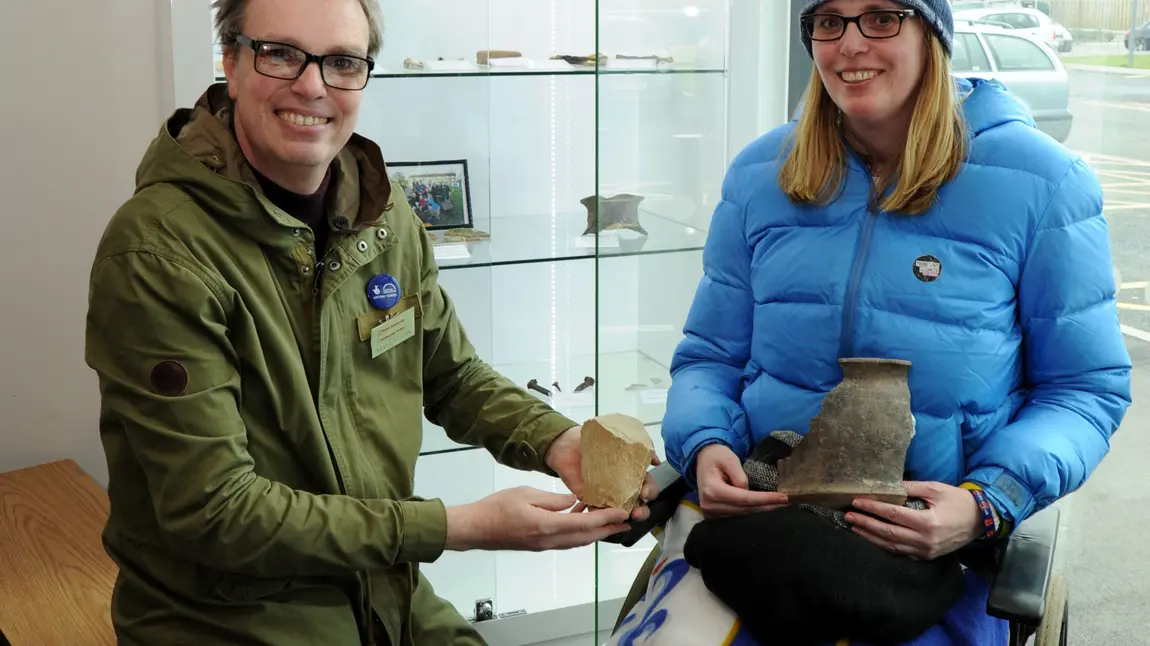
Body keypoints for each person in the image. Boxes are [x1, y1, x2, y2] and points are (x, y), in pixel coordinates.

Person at [83, 0, 657, 644]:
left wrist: (558, 443)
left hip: (384, 586)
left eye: (342, 61)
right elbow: (216, 512)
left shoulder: (381, 213)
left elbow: (450, 375)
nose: (312, 85)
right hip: (229, 614)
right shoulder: (159, 253)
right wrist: (459, 527)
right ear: (232, 64)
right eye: (280, 53)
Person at [658, 0, 1132, 640]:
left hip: (934, 557)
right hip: (762, 534)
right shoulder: (758, 175)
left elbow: (1084, 389)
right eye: (829, 21)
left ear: (932, 33)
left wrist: (985, 503)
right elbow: (711, 358)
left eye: (882, 17)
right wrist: (705, 444)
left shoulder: (1043, 183)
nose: (850, 45)